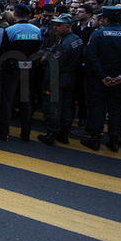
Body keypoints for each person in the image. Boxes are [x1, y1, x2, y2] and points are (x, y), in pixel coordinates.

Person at [81, 7, 121, 152]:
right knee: (115, 110)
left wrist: (103, 76)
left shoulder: (98, 34)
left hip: (99, 79)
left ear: (106, 19)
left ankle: (95, 138)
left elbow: (91, 57)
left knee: (97, 108)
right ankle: (114, 139)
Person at [0, 4, 43, 142]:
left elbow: (3, 52)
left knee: (7, 101)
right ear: (28, 15)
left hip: (11, 70)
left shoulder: (9, 31)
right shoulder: (37, 31)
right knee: (26, 101)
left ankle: (4, 133)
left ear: (15, 14)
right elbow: (37, 50)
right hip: (29, 69)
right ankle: (25, 134)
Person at [37, 14, 83, 145]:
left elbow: (54, 65)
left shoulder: (64, 44)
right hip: (70, 78)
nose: (55, 28)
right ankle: (64, 134)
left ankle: (52, 133)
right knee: (66, 107)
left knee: (53, 107)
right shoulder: (75, 39)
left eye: (58, 25)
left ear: (67, 26)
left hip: (58, 79)